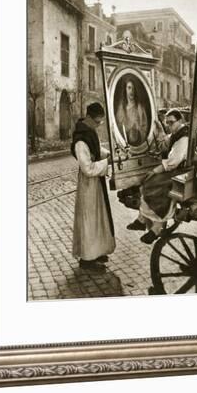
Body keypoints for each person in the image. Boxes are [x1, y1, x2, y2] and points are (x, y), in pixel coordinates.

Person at [126, 108, 189, 244]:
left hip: (181, 172)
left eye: (171, 123)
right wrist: (159, 131)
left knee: (153, 184)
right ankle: (142, 220)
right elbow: (165, 143)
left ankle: (156, 228)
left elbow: (173, 162)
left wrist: (155, 170)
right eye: (167, 123)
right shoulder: (177, 133)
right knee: (147, 181)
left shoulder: (184, 137)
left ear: (180, 121)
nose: (169, 126)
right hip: (177, 169)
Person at [71, 102, 116, 271]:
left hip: (96, 184)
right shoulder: (80, 141)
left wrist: (108, 154)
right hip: (88, 185)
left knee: (98, 219)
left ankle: (97, 251)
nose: (99, 125)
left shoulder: (90, 132)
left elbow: (96, 150)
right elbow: (88, 168)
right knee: (89, 221)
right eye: (98, 121)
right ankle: (87, 259)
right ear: (89, 118)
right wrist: (107, 162)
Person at [115, 76, 148, 146]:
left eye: (133, 88)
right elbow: (118, 129)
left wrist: (137, 131)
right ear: (125, 89)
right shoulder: (121, 109)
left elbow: (144, 128)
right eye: (129, 88)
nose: (131, 91)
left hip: (138, 143)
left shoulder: (140, 108)